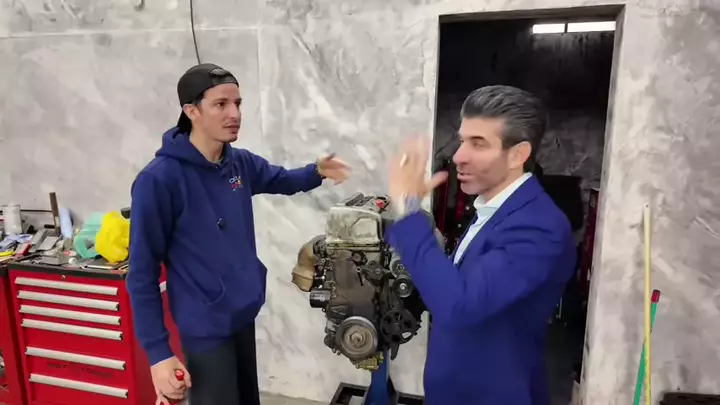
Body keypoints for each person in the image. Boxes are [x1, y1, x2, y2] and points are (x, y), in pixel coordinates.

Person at [126, 63, 350, 405]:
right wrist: (158, 354)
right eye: (221, 104)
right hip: (204, 327)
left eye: (238, 103)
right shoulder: (159, 181)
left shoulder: (238, 163)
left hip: (241, 313)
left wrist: (316, 171)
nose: (234, 114)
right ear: (191, 111)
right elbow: (141, 274)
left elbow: (281, 179)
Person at [384, 85, 576, 404]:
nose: (459, 156)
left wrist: (408, 212)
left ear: (517, 155)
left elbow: (458, 305)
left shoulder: (539, 226)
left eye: (478, 143)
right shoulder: (494, 209)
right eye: (462, 141)